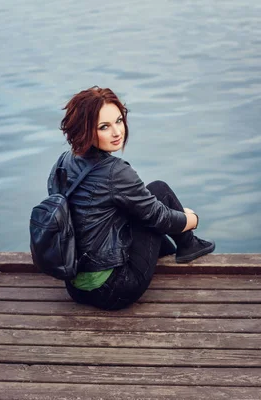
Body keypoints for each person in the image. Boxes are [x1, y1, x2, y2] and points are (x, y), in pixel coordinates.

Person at [48, 86, 215, 310]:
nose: (117, 132)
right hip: (115, 289)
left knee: (148, 199)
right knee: (159, 191)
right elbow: (160, 218)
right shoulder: (115, 171)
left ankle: (182, 246)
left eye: (119, 121)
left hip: (74, 285)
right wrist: (192, 218)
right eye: (104, 127)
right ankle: (188, 244)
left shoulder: (63, 162)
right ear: (84, 130)